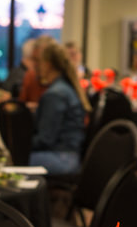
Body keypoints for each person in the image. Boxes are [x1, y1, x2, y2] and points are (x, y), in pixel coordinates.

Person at [28, 41, 90, 175]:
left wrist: (18, 144)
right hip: (70, 156)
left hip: (61, 158)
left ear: (48, 64)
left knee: (12, 160)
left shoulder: (55, 94)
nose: (37, 66)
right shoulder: (65, 88)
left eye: (39, 61)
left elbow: (46, 139)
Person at [19, 35, 55, 106]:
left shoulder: (61, 82)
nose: (35, 64)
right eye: (33, 59)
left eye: (38, 60)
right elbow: (21, 106)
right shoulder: (30, 76)